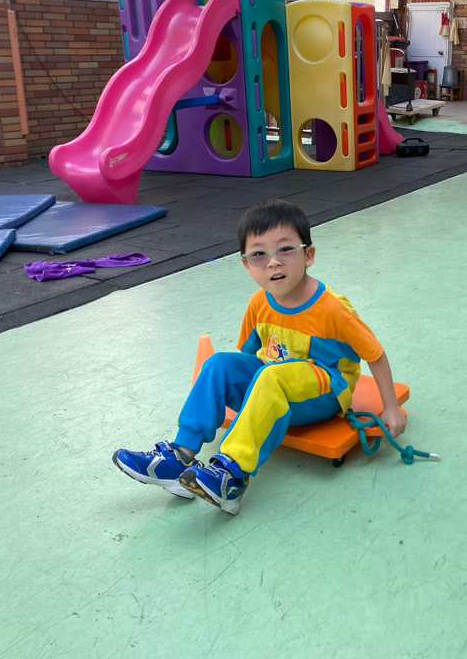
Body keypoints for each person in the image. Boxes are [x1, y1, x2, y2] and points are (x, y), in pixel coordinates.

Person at [112, 199, 405, 515]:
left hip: (326, 393)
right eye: (259, 254)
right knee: (219, 364)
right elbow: (248, 357)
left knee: (271, 375)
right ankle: (179, 456)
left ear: (308, 255)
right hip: (277, 381)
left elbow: (375, 353)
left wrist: (390, 407)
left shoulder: (333, 309)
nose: (273, 263)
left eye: (285, 250)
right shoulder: (258, 303)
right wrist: (249, 400)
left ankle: (232, 475)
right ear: (246, 265)